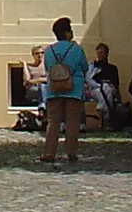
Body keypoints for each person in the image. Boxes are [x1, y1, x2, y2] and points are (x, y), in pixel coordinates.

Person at [39, 17, 89, 164]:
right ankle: (71, 153)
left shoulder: (49, 50)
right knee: (72, 122)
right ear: (67, 32)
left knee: (53, 122)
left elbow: (48, 68)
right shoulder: (77, 49)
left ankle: (49, 152)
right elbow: (85, 67)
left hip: (54, 89)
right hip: (73, 88)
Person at [85, 42, 125, 131]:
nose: (99, 55)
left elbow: (116, 84)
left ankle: (100, 109)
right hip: (95, 89)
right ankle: (107, 121)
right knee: (107, 92)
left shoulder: (112, 68)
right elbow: (89, 80)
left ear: (107, 53)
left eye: (102, 53)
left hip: (109, 88)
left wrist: (119, 99)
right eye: (98, 53)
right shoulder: (93, 67)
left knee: (107, 89)